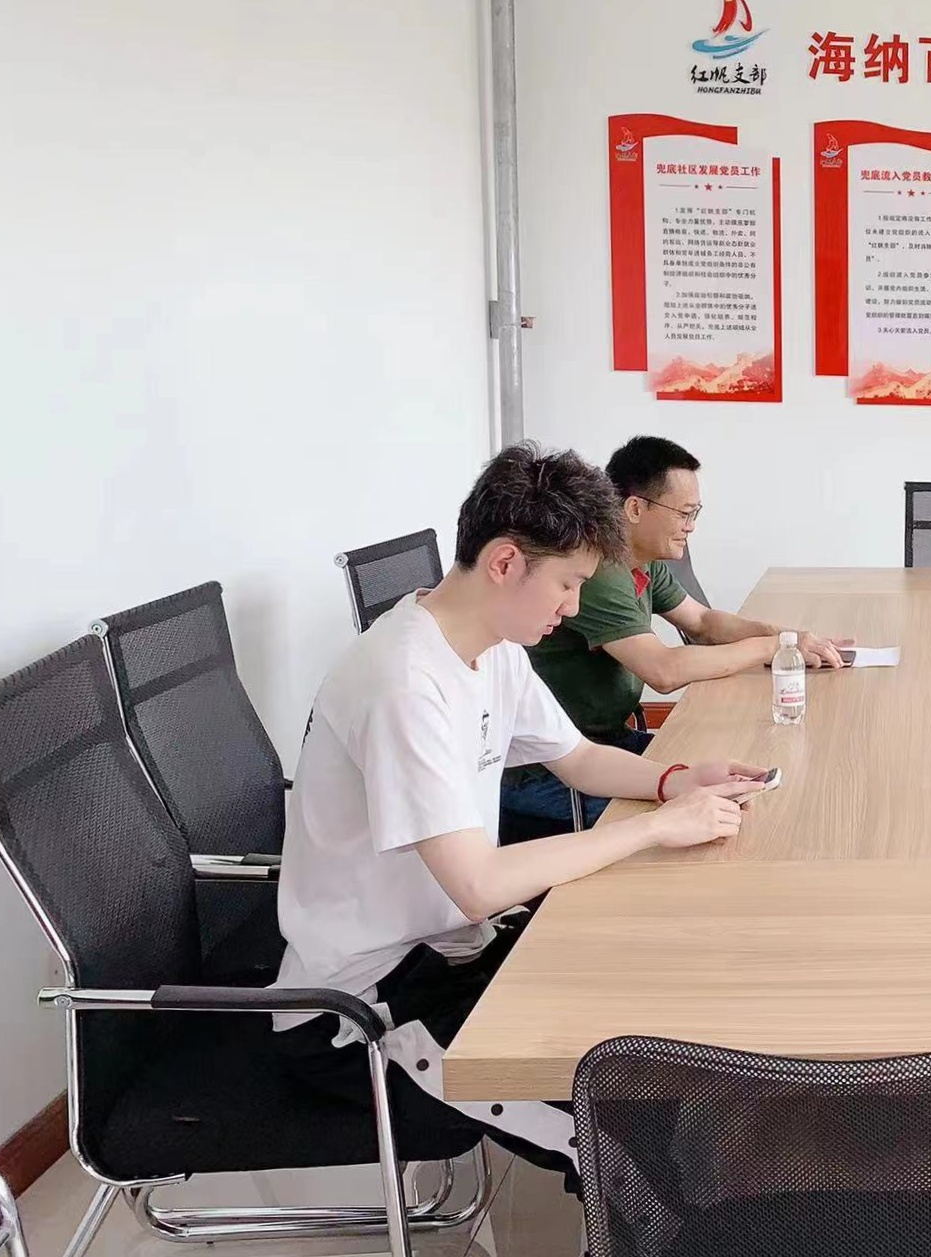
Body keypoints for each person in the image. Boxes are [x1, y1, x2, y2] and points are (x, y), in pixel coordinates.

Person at [271, 442, 769, 1171]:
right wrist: (657, 829)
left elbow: (576, 758)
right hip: (363, 1013)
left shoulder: (492, 643)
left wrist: (676, 781)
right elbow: (477, 883)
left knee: (659, 1030)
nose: (573, 608)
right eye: (568, 584)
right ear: (505, 562)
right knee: (622, 1145)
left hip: (455, 949)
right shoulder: (403, 684)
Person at [502, 436, 848, 831]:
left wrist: (788, 638)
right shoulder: (599, 572)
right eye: (684, 513)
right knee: (730, 820)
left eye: (695, 512)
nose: (691, 526)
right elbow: (663, 671)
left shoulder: (642, 561)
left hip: (601, 745)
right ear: (635, 508)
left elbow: (702, 621)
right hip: (548, 774)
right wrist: (770, 647)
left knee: (738, 784)